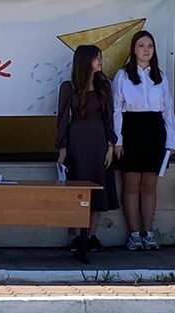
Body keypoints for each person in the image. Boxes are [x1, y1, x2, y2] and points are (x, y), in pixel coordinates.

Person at [113, 31, 175, 250]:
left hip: (155, 132)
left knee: (149, 185)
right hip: (131, 131)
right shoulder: (123, 76)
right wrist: (117, 140)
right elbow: (116, 110)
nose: (146, 50)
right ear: (133, 49)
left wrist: (171, 142)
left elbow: (168, 111)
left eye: (150, 45)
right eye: (141, 45)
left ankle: (148, 232)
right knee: (131, 185)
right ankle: (133, 233)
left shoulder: (161, 76)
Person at [56, 45, 119, 252]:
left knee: (98, 186)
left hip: (99, 142)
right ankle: (78, 235)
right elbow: (63, 119)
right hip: (77, 142)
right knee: (78, 187)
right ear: (85, 61)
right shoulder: (69, 87)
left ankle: (92, 235)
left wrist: (110, 145)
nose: (100, 61)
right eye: (96, 58)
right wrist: (62, 148)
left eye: (100, 57)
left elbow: (109, 117)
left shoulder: (104, 86)